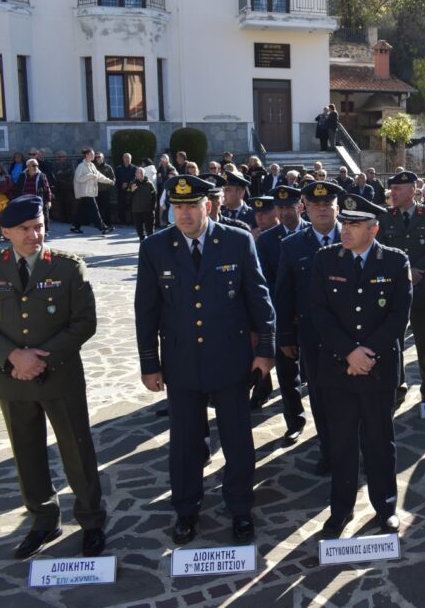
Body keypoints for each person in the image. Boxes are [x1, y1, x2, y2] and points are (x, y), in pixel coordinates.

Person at [135, 175, 275, 545]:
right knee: (183, 442)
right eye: (177, 207)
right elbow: (145, 311)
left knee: (237, 438)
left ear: (208, 206)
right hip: (181, 362)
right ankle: (186, 508)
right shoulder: (155, 247)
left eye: (190, 206)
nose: (183, 214)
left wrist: (266, 351)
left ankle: (240, 507)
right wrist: (150, 363)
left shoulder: (236, 240)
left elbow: (259, 299)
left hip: (231, 359)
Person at [0, 195, 107, 558]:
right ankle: (44, 521)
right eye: (24, 229)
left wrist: (40, 359)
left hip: (59, 376)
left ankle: (92, 521)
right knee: (27, 455)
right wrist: (13, 355)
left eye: (39, 227)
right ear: (6, 232)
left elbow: (84, 322)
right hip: (11, 376)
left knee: (77, 451)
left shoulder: (66, 267)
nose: (34, 235)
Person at [309, 194, 411, 536]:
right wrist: (349, 353)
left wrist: (367, 354)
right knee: (341, 443)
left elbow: (398, 317)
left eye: (354, 225)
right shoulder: (325, 260)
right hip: (338, 369)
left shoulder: (395, 262)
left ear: (374, 229)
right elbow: (319, 314)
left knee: (380, 441)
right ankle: (340, 510)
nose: (346, 230)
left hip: (378, 369)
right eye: (346, 224)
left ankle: (385, 508)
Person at [275, 180, 343, 476]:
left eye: (328, 204)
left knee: (357, 397)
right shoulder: (292, 246)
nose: (322, 209)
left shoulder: (356, 235)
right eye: (316, 205)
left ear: (337, 207)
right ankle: (329, 451)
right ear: (306, 208)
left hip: (354, 336)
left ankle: (355, 448)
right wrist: (286, 337)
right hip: (314, 338)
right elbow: (284, 294)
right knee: (320, 395)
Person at [378, 171, 425, 404]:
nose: (392, 193)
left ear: (412, 190)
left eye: (397, 189)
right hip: (393, 289)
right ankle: (397, 384)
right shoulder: (386, 216)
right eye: (392, 189)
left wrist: (416, 272)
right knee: (393, 339)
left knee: (424, 339)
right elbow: (382, 251)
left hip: (422, 287)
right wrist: (405, 274)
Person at [252, 186, 307, 441]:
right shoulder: (266, 240)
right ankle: (294, 420)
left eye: (289, 207)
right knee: (287, 375)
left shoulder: (313, 232)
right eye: (280, 208)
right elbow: (267, 282)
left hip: (314, 317)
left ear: (300, 207)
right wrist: (287, 312)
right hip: (283, 317)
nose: (284, 212)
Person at [70, 149, 113, 235]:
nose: (94, 156)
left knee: (81, 211)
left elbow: (99, 176)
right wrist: (89, 176)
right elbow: (78, 179)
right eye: (92, 154)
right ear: (87, 155)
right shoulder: (81, 166)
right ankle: (102, 227)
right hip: (85, 192)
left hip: (90, 192)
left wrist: (109, 181)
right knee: (95, 209)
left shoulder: (92, 165)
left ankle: (75, 226)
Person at [14, 160, 53, 230]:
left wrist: (48, 200)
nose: (36, 167)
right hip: (25, 200)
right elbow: (18, 188)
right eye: (34, 165)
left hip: (37, 200)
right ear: (28, 166)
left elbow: (47, 188)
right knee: (26, 217)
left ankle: (44, 230)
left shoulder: (42, 175)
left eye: (37, 165)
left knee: (40, 216)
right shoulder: (22, 175)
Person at [130, 167, 157, 241]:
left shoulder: (149, 183)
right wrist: (132, 191)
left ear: (144, 174)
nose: (139, 174)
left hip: (148, 210)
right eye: (137, 173)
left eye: (141, 173)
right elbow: (128, 197)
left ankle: (151, 245)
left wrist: (153, 207)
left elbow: (154, 195)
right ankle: (142, 244)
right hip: (136, 210)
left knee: (150, 231)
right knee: (139, 230)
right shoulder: (133, 183)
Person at [93, 152, 115, 228]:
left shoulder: (108, 168)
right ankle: (99, 223)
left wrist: (108, 184)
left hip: (105, 191)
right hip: (96, 191)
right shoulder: (93, 167)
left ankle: (108, 223)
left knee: (106, 208)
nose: (97, 158)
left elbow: (113, 179)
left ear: (103, 158)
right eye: (96, 157)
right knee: (97, 208)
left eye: (99, 157)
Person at [115, 153, 136, 225]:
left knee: (131, 206)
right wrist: (121, 184)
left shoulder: (135, 168)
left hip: (131, 190)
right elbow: (116, 179)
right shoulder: (118, 168)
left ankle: (132, 221)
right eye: (125, 158)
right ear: (123, 159)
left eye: (128, 158)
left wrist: (128, 184)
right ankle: (122, 221)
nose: (127, 159)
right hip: (121, 190)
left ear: (131, 159)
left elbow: (135, 179)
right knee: (121, 205)